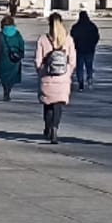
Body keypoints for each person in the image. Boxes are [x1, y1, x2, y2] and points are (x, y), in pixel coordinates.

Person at [35, 13, 76, 144]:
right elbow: (73, 60)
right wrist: (68, 72)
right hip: (63, 78)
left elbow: (38, 60)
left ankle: (47, 126)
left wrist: (41, 71)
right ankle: (55, 127)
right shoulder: (68, 39)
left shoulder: (42, 39)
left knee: (48, 104)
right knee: (58, 105)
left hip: (47, 77)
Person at [70, 10, 101, 91]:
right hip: (90, 49)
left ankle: (81, 83)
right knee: (89, 66)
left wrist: (75, 45)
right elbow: (96, 37)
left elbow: (72, 38)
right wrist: (93, 44)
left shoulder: (76, 27)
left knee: (79, 67)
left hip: (79, 50)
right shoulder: (92, 26)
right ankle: (89, 78)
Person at [0, 15, 25, 101]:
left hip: (3, 57)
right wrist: (21, 53)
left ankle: (5, 89)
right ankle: (8, 91)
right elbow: (21, 44)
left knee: (4, 76)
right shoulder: (17, 34)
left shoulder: (1, 34)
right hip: (14, 58)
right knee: (12, 76)